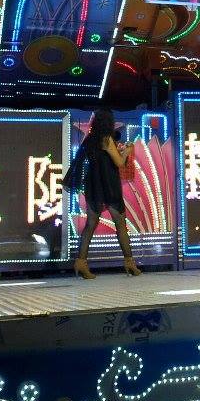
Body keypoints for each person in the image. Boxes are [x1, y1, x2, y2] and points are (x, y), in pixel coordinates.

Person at [71, 109, 141, 279]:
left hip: (94, 186)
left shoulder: (90, 139)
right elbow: (119, 162)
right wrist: (127, 151)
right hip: (109, 186)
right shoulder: (106, 139)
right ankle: (129, 263)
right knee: (120, 224)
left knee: (90, 224)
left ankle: (81, 262)